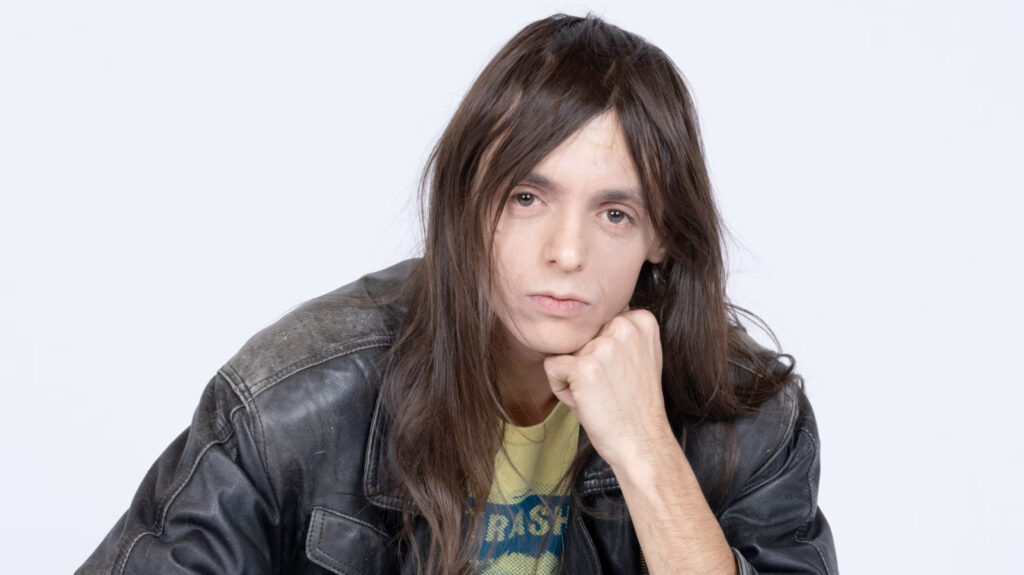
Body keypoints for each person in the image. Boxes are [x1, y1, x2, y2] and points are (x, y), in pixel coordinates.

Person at [78, 13, 838, 575]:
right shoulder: (292, 403)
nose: (566, 252)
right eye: (527, 199)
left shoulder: (750, 422)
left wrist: (647, 453)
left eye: (614, 213)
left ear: (662, 234)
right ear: (467, 204)